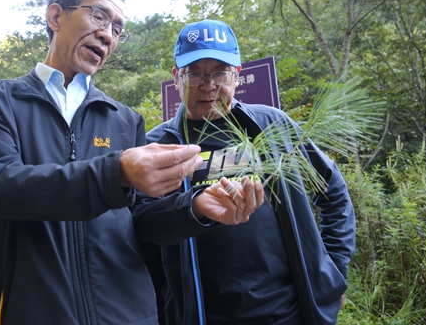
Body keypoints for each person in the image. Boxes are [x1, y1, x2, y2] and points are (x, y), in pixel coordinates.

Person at [0, 0, 251, 325]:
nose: (108, 35)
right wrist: (116, 173)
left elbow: (141, 223)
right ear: (55, 16)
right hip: (29, 311)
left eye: (117, 28)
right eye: (98, 16)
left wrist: (196, 208)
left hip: (126, 315)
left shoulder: (124, 120)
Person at [132, 19, 356, 325]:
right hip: (202, 315)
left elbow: (332, 191)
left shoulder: (272, 125)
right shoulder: (157, 146)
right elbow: (141, 230)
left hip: (291, 312)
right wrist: (195, 207)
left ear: (237, 75)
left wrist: (333, 271)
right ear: (176, 78)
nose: (208, 85)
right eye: (194, 73)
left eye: (220, 73)